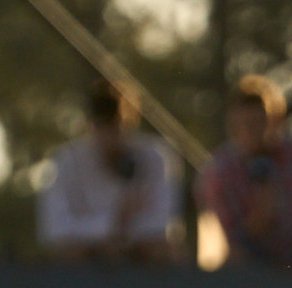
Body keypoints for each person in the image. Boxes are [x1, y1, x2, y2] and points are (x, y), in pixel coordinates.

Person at [196, 75, 292, 267]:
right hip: (247, 265)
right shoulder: (219, 171)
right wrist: (264, 199)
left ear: (274, 120)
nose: (253, 130)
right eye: (246, 123)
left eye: (260, 121)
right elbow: (234, 238)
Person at [37, 81, 183, 265]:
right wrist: (112, 223)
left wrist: (121, 239)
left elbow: (164, 224)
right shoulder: (66, 161)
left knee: (162, 251)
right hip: (86, 260)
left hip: (140, 258)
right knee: (67, 251)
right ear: (90, 124)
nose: (111, 135)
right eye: (102, 125)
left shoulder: (156, 156)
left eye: (118, 125)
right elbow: (53, 229)